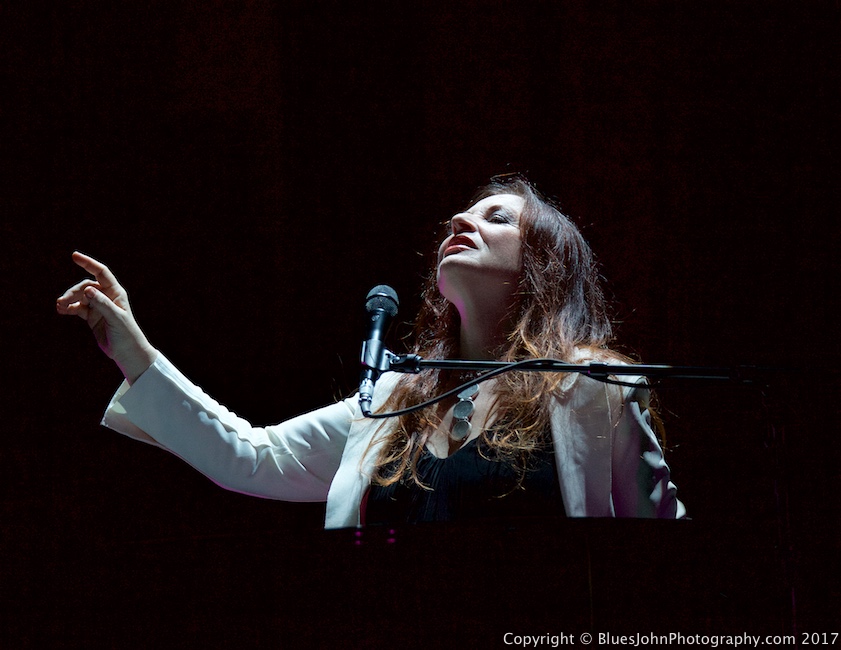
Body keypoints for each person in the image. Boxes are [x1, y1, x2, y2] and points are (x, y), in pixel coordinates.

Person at [56, 175, 685, 528]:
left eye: (496, 218)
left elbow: (665, 553)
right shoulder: (392, 398)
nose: (460, 222)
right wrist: (134, 351)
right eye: (460, 215)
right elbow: (249, 456)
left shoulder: (594, 388)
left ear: (543, 268)